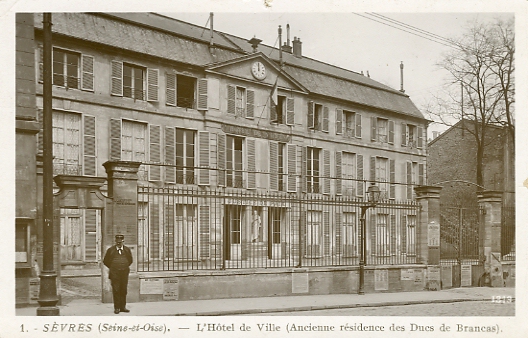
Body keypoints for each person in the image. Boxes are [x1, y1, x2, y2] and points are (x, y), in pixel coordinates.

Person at [103, 234, 133, 314]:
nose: (119, 244)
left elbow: (130, 260)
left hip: (124, 273)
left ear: (123, 241)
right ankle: (117, 308)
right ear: (115, 241)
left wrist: (124, 266)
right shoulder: (111, 250)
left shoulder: (127, 250)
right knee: (116, 290)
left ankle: (123, 307)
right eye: (117, 242)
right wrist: (113, 267)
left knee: (123, 290)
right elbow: (105, 261)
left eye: (120, 242)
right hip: (114, 273)